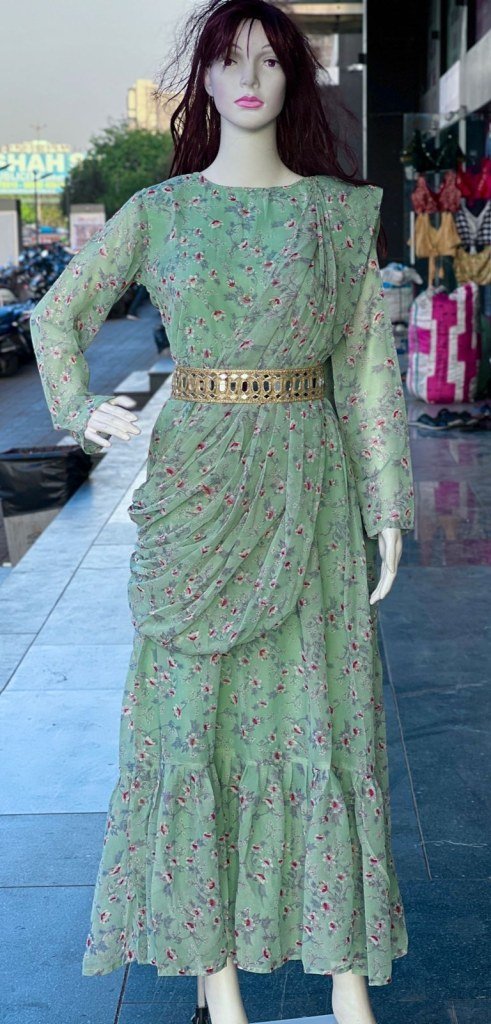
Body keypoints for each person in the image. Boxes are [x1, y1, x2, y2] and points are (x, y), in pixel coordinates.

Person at [29, 3, 415, 1023]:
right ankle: (218, 980)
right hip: (198, 485)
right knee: (194, 720)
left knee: (325, 714)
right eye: (228, 60)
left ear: (294, 79)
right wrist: (77, 410)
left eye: (270, 61)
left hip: (310, 483)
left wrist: (387, 501)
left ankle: (343, 978)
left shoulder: (336, 216)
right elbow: (57, 315)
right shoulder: (161, 212)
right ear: (199, 79)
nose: (248, 77)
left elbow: (365, 371)